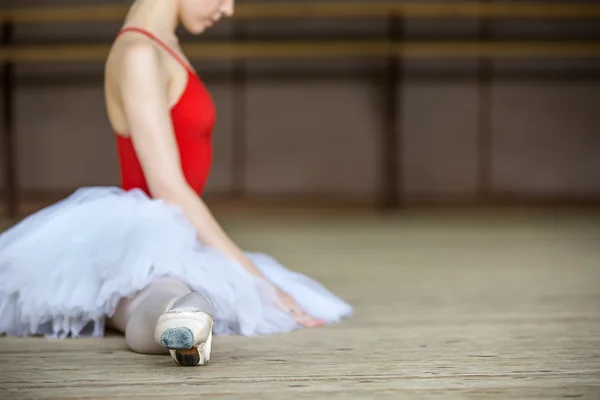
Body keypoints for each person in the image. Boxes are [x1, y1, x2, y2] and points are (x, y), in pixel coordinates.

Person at [0, 0, 352, 367]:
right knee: (162, 291)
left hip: (173, 225)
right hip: (151, 224)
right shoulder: (139, 51)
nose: (228, 9)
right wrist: (259, 281)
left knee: (163, 291)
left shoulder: (160, 44)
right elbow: (167, 185)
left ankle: (182, 318)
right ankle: (180, 320)